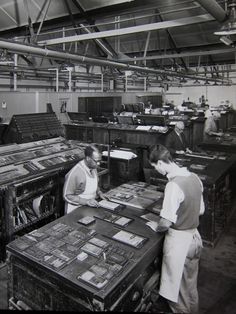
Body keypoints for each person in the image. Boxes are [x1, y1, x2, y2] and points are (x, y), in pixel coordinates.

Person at [147, 144, 205, 313]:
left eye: (154, 167)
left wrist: (156, 226)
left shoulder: (173, 185)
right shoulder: (194, 177)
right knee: (190, 287)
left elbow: (166, 222)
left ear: (160, 163)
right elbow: (200, 210)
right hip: (195, 238)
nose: (156, 170)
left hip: (180, 244)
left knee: (178, 295)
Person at [63, 145, 106, 214]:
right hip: (75, 210)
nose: (98, 164)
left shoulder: (93, 167)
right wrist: (86, 201)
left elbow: (93, 184)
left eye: (100, 161)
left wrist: (99, 192)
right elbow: (67, 196)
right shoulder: (75, 173)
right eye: (96, 161)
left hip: (89, 208)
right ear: (88, 158)